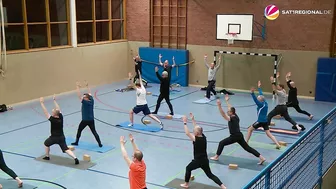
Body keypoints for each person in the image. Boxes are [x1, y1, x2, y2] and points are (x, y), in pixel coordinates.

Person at [210, 95, 266, 165]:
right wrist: (227, 101)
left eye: (229, 111)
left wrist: (219, 106)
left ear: (231, 113)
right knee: (247, 148)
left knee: (221, 143)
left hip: (234, 136)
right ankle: (261, 157)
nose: (227, 112)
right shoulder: (235, 116)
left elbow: (223, 114)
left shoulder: (231, 118)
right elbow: (230, 108)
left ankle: (216, 157)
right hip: (239, 135)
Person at [180, 113, 227, 189]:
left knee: (188, 168)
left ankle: (186, 184)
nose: (193, 131)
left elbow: (187, 133)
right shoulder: (203, 137)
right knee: (210, 175)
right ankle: (223, 186)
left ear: (197, 133)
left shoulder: (196, 139)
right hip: (205, 160)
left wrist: (185, 122)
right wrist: (193, 119)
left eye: (194, 131)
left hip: (198, 161)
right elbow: (197, 128)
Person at [40, 95, 79, 164]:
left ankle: (47, 156)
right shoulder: (60, 117)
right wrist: (54, 100)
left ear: (54, 115)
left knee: (46, 144)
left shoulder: (52, 119)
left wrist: (42, 103)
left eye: (52, 112)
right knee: (66, 149)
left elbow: (45, 112)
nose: (51, 112)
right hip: (61, 137)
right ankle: (75, 158)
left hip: (54, 138)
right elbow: (58, 109)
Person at [245, 81, 281, 149]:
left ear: (260, 101)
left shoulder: (260, 105)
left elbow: (255, 100)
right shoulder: (265, 103)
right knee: (268, 134)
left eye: (259, 99)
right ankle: (277, 144)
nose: (258, 99)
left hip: (260, 121)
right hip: (265, 121)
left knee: (250, 129)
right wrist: (259, 87)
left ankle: (246, 142)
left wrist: (252, 93)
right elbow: (261, 94)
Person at [71, 81, 102, 147]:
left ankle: (76, 142)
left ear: (86, 98)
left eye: (84, 97)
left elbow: (79, 96)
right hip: (91, 120)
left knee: (79, 130)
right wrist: (87, 86)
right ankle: (100, 143)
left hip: (85, 120)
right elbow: (90, 93)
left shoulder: (85, 102)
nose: (83, 97)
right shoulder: (91, 100)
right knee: (94, 132)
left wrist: (77, 87)